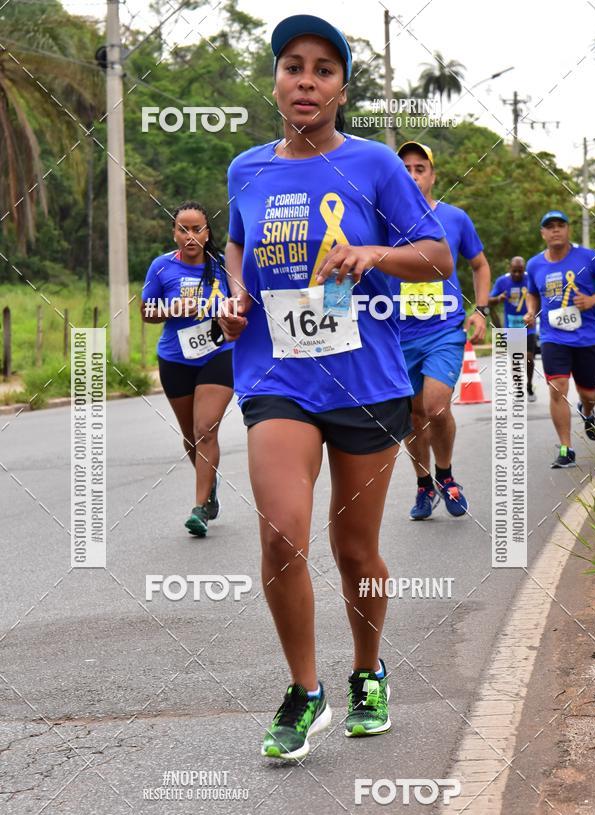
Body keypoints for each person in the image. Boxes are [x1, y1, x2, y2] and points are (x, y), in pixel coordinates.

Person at [219, 14, 452, 761]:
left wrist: (374, 253)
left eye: (324, 69)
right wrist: (232, 295)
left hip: (365, 380)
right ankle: (303, 688)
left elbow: (438, 255)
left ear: (343, 86)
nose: (307, 81)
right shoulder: (246, 169)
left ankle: (367, 670)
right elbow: (236, 243)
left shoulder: (377, 164)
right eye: (293, 66)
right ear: (277, 79)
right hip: (276, 374)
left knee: (356, 550)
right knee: (283, 531)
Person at [391, 141, 491, 521]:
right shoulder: (383, 221)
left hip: (443, 329)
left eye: (421, 168)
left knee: (435, 406)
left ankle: (446, 475)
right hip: (397, 333)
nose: (413, 175)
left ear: (433, 176)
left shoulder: (454, 218)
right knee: (413, 415)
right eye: (406, 169)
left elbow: (479, 265)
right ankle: (423, 484)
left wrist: (479, 310)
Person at [141, 201, 233, 536]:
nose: (190, 235)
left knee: (205, 429)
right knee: (190, 437)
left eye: (197, 229)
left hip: (219, 354)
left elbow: (244, 303)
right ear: (175, 233)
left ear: (208, 233)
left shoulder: (223, 266)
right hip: (175, 358)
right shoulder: (161, 267)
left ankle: (199, 509)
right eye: (183, 229)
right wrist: (169, 306)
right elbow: (146, 311)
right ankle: (209, 486)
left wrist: (230, 315)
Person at [524, 210, 595, 468]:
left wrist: (592, 300)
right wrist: (531, 311)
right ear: (543, 233)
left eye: (560, 225)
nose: (555, 230)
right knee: (557, 387)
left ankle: (588, 411)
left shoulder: (589, 258)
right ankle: (566, 448)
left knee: (589, 393)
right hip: (552, 336)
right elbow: (532, 293)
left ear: (568, 230)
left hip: (587, 336)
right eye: (550, 226)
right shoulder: (534, 264)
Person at [489, 256, 537, 401]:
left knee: (528, 358)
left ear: (524, 270)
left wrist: (534, 313)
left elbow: (538, 297)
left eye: (520, 271)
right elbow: (488, 300)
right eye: (514, 271)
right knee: (516, 360)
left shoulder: (530, 279)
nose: (517, 274)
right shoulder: (502, 281)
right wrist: (498, 299)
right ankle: (518, 388)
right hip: (512, 327)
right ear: (510, 269)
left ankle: (529, 385)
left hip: (528, 327)